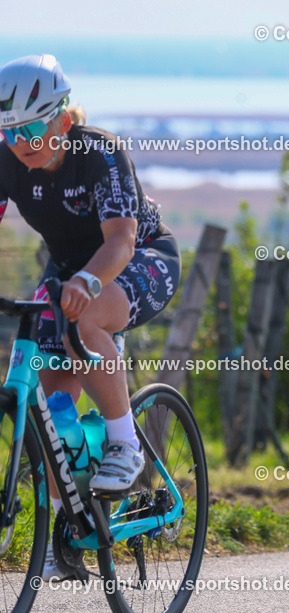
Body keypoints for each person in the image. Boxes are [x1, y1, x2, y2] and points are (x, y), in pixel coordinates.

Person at [0, 55, 181, 577]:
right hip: (67, 269)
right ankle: (65, 532)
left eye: (31, 129)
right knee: (49, 409)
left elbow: (121, 240)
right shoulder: (6, 158)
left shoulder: (99, 152)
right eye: (9, 131)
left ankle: (125, 442)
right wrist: (73, 279)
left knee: (86, 323)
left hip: (139, 256)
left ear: (62, 119)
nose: (20, 142)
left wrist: (87, 283)